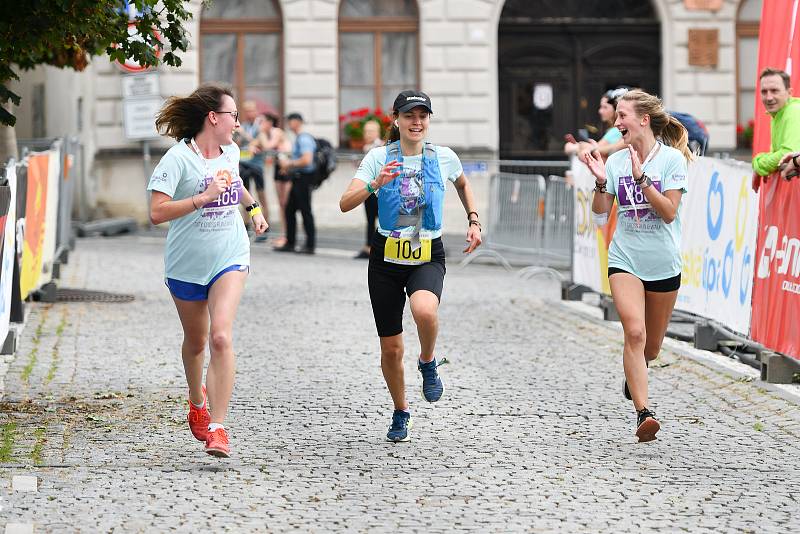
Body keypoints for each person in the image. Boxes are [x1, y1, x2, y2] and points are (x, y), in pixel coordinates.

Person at [338, 90, 483, 442]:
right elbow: (345, 203)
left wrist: (474, 219)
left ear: (429, 120)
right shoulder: (377, 158)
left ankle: (428, 362)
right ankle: (401, 409)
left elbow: (463, 183)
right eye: (409, 115)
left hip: (427, 251)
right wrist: (375, 184)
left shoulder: (444, 157)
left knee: (425, 311)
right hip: (385, 256)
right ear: (396, 119)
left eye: (422, 115)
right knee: (391, 348)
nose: (416, 122)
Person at [148, 84, 268, 458]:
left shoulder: (230, 151)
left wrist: (253, 209)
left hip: (229, 255)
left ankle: (218, 427)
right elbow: (156, 213)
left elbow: (236, 181)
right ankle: (196, 399)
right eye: (233, 115)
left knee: (220, 338)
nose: (238, 122)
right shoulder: (177, 160)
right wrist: (202, 198)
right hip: (186, 264)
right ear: (213, 118)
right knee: (197, 342)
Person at [582, 89, 692, 443]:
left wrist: (643, 180)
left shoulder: (672, 161)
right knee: (633, 332)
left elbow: (669, 212)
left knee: (652, 348)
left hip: (663, 264)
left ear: (644, 119)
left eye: (623, 116)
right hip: (624, 258)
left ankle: (635, 374)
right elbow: (600, 214)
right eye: (616, 117)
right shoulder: (615, 162)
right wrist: (601, 181)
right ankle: (644, 412)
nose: (617, 124)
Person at [752, 69, 800, 192]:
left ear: (789, 93)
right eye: (764, 92)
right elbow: (777, 154)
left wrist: (758, 164)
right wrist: (761, 161)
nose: (768, 97)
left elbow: (787, 153)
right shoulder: (777, 114)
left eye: (774, 91)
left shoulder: (794, 111)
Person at [276, 112, 316, 254]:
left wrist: (289, 164)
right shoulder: (300, 138)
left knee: (305, 211)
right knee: (290, 209)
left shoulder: (304, 138)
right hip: (298, 178)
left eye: (290, 121)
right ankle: (290, 242)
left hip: (304, 178)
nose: (288, 124)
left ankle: (310, 245)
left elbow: (307, 160)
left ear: (297, 122)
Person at [250, 113, 292, 246]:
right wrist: (252, 146)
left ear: (269, 122)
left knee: (285, 204)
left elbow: (268, 146)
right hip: (278, 167)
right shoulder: (265, 134)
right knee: (280, 203)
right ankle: (284, 234)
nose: (260, 125)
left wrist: (261, 136)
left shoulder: (276, 132)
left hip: (287, 167)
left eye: (262, 122)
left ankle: (287, 235)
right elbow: (252, 143)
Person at [565, 87, 628, 161]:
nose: (600, 111)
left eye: (605, 107)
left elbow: (599, 149)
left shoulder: (617, 131)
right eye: (601, 107)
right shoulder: (617, 130)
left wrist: (580, 147)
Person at [234, 101, 269, 230]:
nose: (249, 113)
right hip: (244, 164)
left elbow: (261, 142)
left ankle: (265, 223)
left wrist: (245, 136)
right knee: (245, 195)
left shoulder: (260, 125)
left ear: (255, 111)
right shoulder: (243, 125)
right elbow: (238, 143)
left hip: (257, 164)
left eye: (251, 110)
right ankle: (247, 224)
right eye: (246, 111)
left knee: (261, 195)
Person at [355, 119, 385, 259]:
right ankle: (369, 246)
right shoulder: (366, 148)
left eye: (371, 131)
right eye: (366, 131)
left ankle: (376, 247)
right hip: (368, 188)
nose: (367, 134)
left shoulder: (380, 148)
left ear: (377, 133)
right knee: (370, 218)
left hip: (378, 189)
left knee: (380, 218)